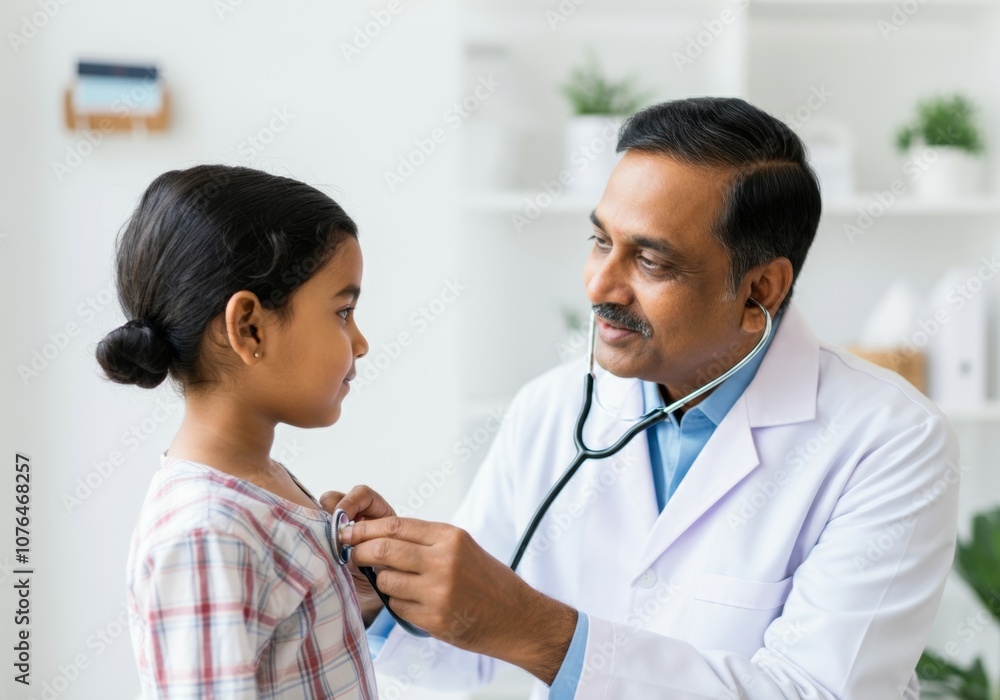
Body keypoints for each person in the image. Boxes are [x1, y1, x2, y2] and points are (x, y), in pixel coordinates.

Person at [330, 98, 961, 699]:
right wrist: (386, 594)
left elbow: (818, 690)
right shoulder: (553, 408)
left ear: (760, 290)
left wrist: (538, 630)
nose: (600, 284)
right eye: (601, 241)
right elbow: (469, 643)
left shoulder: (889, 442)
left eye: (651, 261)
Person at [96, 165, 377, 698]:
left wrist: (346, 597)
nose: (360, 342)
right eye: (343, 312)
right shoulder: (207, 535)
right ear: (248, 326)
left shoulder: (260, 484)